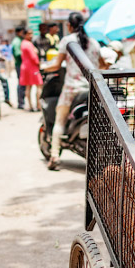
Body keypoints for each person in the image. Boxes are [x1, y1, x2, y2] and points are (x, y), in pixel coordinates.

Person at [42, 12, 103, 171]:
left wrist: (42, 67)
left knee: (59, 120)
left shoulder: (67, 41)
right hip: (92, 89)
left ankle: (54, 156)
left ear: (69, 25)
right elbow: (102, 65)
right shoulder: (94, 43)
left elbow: (56, 65)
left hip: (72, 89)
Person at [19, 27, 43, 112]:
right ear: (24, 35)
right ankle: (38, 106)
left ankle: (30, 105)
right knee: (39, 86)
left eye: (31, 33)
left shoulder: (24, 43)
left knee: (28, 87)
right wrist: (39, 64)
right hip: (32, 67)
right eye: (29, 34)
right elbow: (33, 57)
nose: (31, 36)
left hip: (25, 67)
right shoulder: (28, 44)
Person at [10, 25, 26, 110]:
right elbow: (17, 54)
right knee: (21, 84)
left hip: (22, 64)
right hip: (20, 65)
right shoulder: (17, 41)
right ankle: (21, 103)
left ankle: (22, 102)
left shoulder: (21, 40)